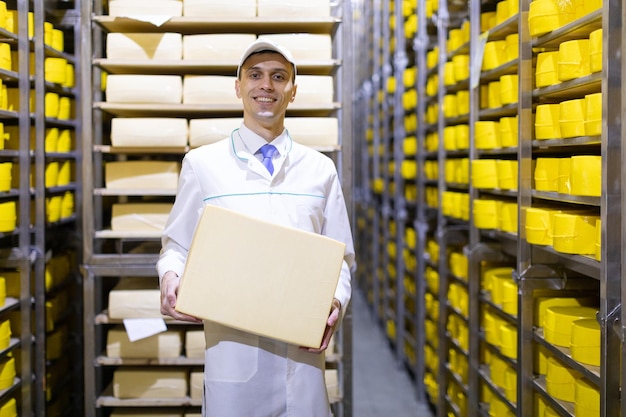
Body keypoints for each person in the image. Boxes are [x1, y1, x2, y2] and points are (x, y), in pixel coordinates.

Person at [157, 38, 356, 417]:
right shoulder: (203, 165)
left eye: (279, 77)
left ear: (292, 92)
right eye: (255, 75)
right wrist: (170, 276)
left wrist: (335, 302)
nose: (267, 85)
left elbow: (341, 257)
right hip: (234, 356)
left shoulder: (320, 169)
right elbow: (176, 247)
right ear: (238, 87)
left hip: (302, 357)